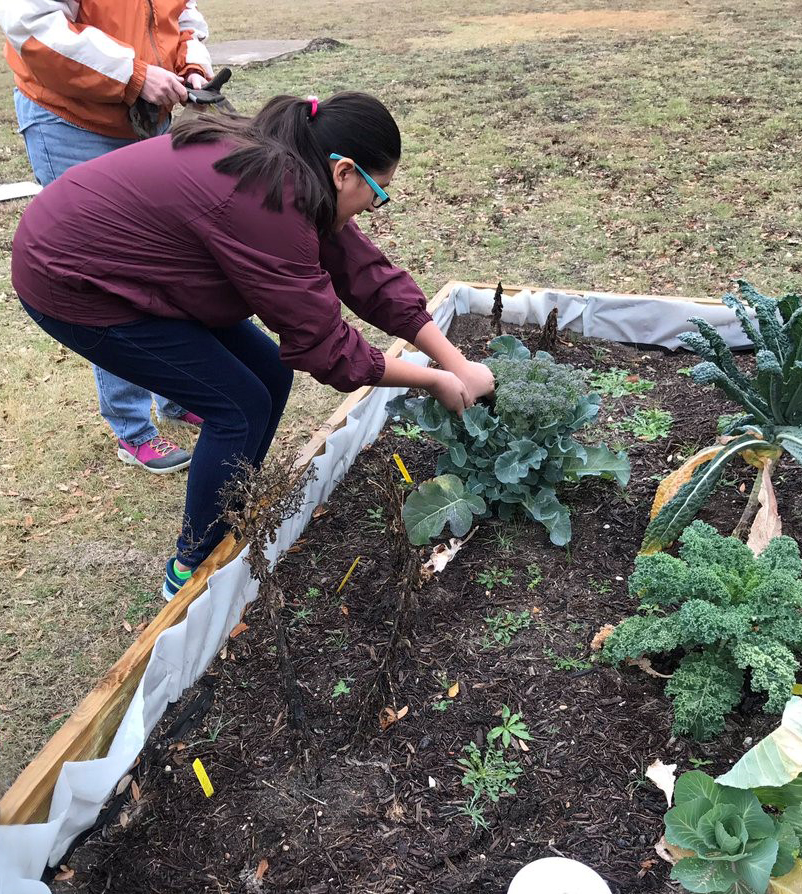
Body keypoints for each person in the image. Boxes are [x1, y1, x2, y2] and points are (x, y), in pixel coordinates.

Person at [11, 91, 495, 599]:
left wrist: (456, 361)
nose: (374, 207)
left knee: (268, 372)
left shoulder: (297, 165)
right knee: (238, 408)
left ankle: (234, 503)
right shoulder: (269, 201)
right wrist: (435, 379)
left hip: (128, 259)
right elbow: (325, 346)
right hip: (73, 281)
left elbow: (363, 273)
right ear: (345, 171)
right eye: (379, 193)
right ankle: (193, 566)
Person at [1, 1, 214, 473]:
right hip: (73, 120)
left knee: (166, 259)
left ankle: (178, 394)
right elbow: (31, 28)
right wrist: (135, 76)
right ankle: (131, 428)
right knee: (105, 274)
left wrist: (192, 67)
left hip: (147, 116)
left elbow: (181, 19)